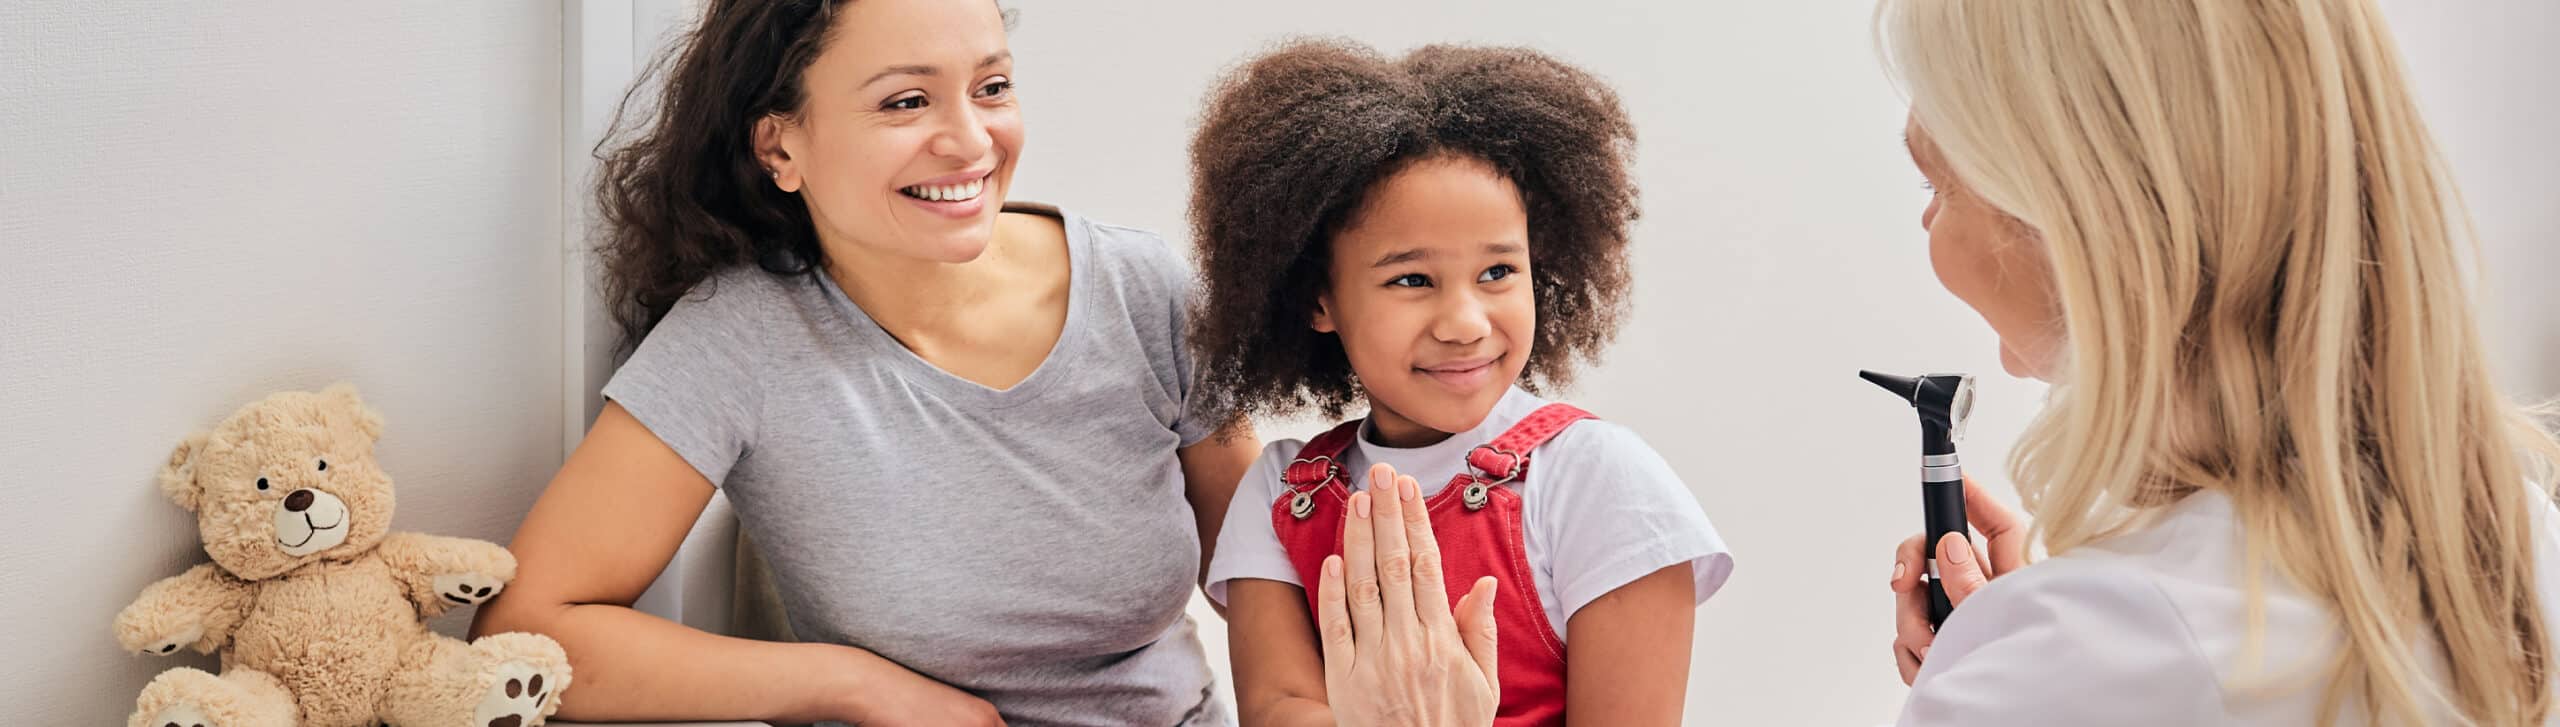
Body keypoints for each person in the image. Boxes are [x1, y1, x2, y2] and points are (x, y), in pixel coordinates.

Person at [471, 1, 1259, 724]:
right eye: (905, 101)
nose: (971, 140)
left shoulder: (1145, 291)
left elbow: (1264, 584)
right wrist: (848, 681)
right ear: (781, 143)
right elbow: (523, 632)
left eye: (991, 87)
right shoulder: (739, 340)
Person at [1875, 0, 2560, 723]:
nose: (1928, 223)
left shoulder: (2082, 662)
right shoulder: (2520, 539)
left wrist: (2003, 670)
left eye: (1938, 184)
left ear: (2079, 217)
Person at [1186, 39, 1733, 726]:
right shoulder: (1278, 494)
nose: (1465, 322)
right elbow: (1276, 707)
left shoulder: (1602, 482)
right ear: (1317, 298)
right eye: (1412, 279)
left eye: (1499, 271)